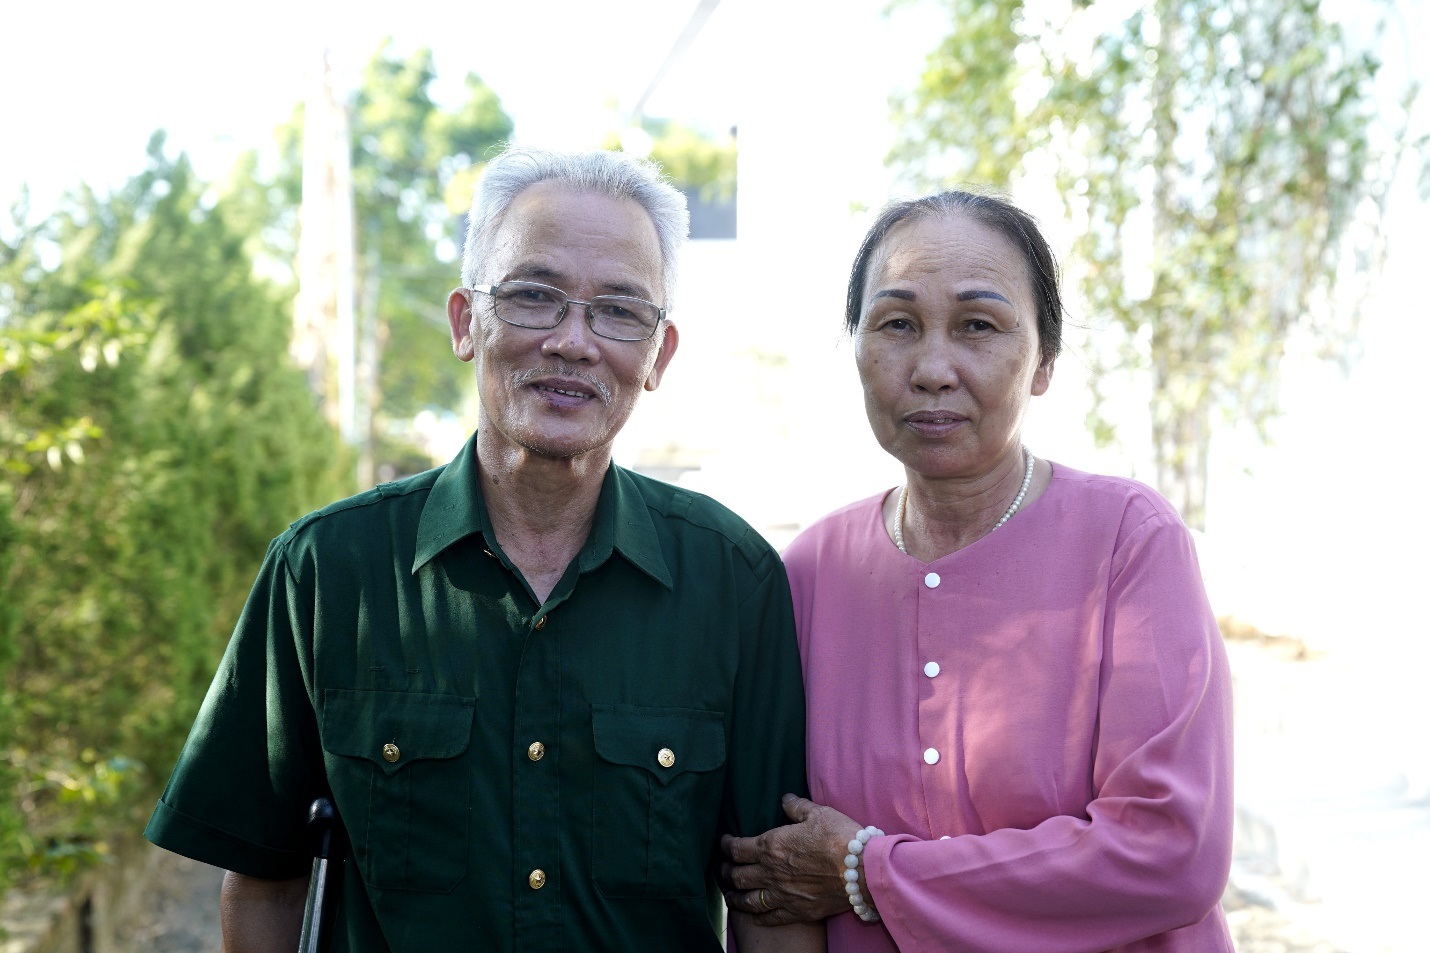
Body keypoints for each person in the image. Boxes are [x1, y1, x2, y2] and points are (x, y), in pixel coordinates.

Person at [144, 146, 823, 953]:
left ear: (658, 355)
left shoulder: (734, 581)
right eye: (534, 296)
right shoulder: (325, 573)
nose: (573, 341)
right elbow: (266, 880)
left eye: (618, 310)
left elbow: (769, 901)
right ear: (467, 322)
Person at [721, 190, 1234, 951]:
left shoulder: (1128, 541)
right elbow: (770, 867)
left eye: (978, 326)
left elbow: (1168, 853)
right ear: (856, 348)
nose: (933, 369)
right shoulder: (811, 572)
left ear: (1043, 362)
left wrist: (872, 873)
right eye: (897, 324)